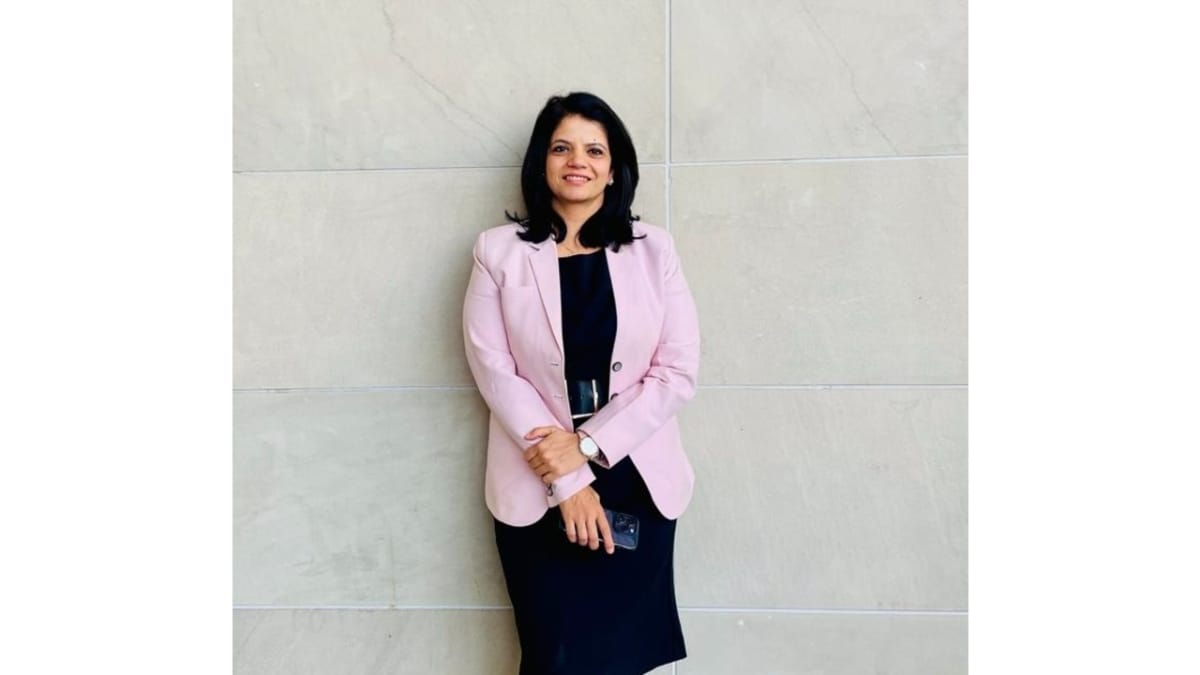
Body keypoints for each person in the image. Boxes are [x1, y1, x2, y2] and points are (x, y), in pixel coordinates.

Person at [462, 91, 701, 675]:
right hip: (538, 477)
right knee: (556, 658)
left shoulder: (655, 251)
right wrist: (569, 479)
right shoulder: (498, 252)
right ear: (541, 162)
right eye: (561, 148)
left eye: (595, 150)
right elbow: (496, 371)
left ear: (614, 168)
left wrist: (589, 446)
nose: (578, 161)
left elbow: (676, 371)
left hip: (633, 475)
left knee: (624, 658)